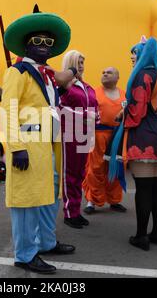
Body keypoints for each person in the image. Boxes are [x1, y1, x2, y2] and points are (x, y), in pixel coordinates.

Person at [2, 7, 77, 274]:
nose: (44, 46)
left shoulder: (49, 77)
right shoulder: (17, 72)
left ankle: (45, 241)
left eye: (48, 42)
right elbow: (9, 111)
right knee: (26, 202)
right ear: (27, 45)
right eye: (38, 41)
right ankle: (24, 254)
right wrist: (17, 147)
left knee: (48, 197)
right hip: (27, 143)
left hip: (48, 144)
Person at [109, 37, 157, 251]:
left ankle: (142, 236)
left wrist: (124, 116)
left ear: (145, 55)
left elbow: (138, 111)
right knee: (155, 185)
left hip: (143, 136)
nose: (133, 58)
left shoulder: (142, 75)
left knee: (143, 187)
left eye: (136, 54)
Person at [59, 50, 99, 228]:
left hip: (86, 133)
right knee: (70, 174)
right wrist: (83, 115)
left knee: (80, 174)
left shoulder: (87, 87)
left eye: (83, 62)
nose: (82, 66)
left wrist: (94, 117)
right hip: (70, 133)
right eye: (79, 62)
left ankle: (76, 210)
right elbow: (58, 107)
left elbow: (95, 109)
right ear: (71, 63)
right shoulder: (63, 87)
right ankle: (69, 213)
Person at [82, 67, 126, 215]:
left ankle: (115, 200)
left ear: (117, 77)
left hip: (118, 136)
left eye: (109, 72)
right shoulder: (93, 93)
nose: (105, 73)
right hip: (98, 134)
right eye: (103, 72)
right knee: (95, 168)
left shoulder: (124, 95)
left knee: (116, 167)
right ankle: (92, 200)